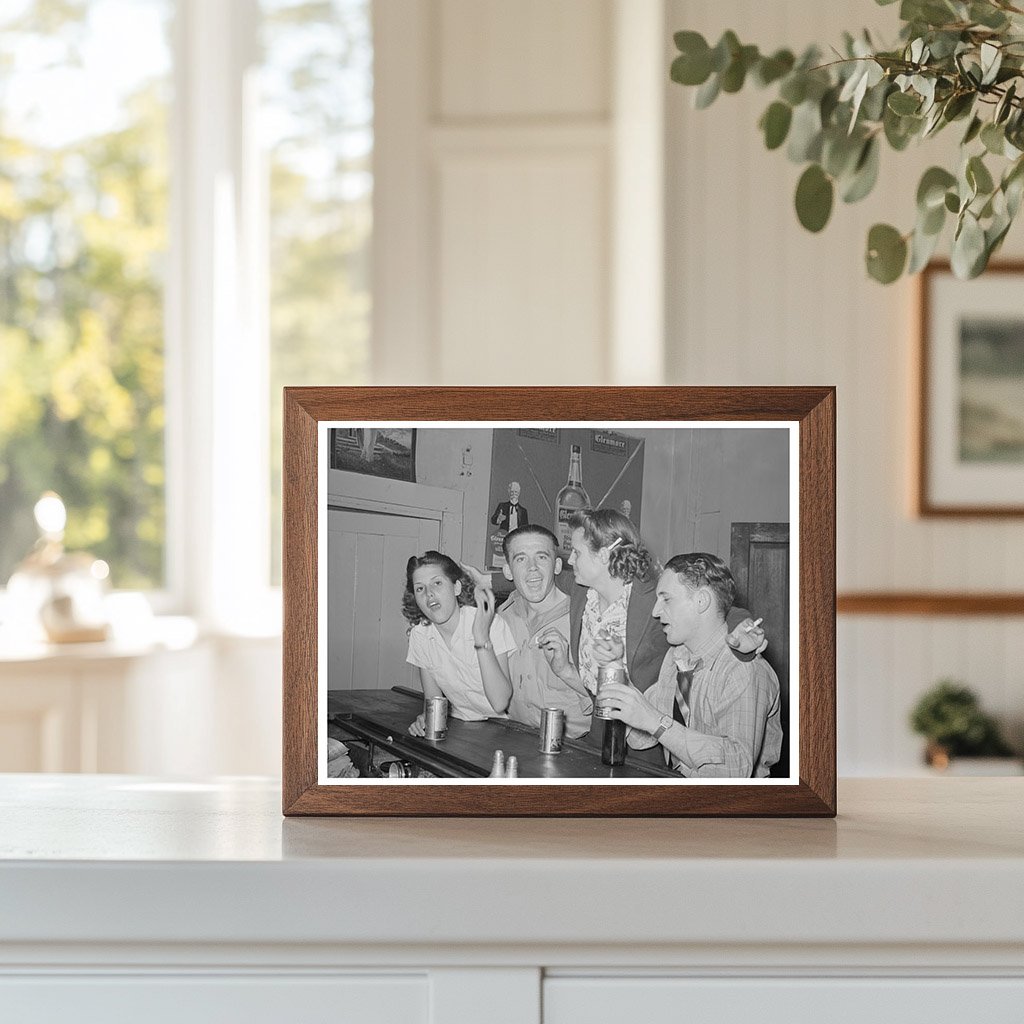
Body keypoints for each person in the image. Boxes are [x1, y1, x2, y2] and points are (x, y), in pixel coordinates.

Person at [539, 508, 766, 753]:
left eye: (577, 552)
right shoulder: (581, 589)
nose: (570, 560)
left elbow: (719, 608)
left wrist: (743, 630)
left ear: (603, 555)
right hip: (600, 731)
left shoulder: (653, 598)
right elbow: (539, 580)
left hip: (650, 741)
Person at [595, 552, 782, 778]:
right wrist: (616, 667)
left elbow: (735, 770)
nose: (655, 612)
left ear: (701, 601)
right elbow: (640, 738)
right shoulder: (677, 657)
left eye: (666, 599)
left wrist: (654, 721)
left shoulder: (743, 669)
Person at [466, 525, 592, 738]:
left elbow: (611, 699)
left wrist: (567, 671)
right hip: (516, 739)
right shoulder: (500, 619)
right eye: (521, 559)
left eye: (541, 557)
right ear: (508, 571)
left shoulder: (585, 618)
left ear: (557, 566)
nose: (532, 567)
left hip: (576, 745)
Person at [402, 551, 516, 736]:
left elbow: (500, 702)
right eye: (420, 589)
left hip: (507, 728)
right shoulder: (420, 635)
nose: (429, 594)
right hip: (462, 726)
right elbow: (433, 700)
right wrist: (427, 717)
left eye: (437, 583)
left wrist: (481, 638)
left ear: (456, 588)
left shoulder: (490, 623)